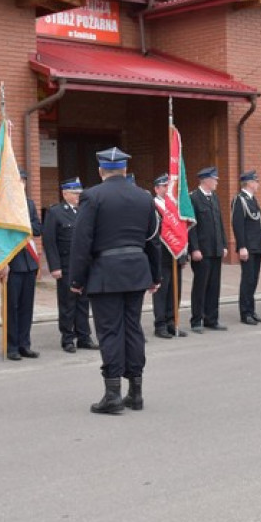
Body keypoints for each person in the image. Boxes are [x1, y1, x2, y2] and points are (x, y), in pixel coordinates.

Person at [69, 147, 161, 414]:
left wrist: (76, 278)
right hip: (136, 271)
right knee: (133, 329)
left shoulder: (92, 196)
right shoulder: (144, 197)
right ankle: (136, 392)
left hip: (105, 272)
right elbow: (152, 240)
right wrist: (155, 276)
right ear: (124, 170)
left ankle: (112, 394)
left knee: (110, 331)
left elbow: (82, 241)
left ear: (101, 171)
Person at [43, 177, 98, 352]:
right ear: (65, 193)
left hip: (83, 264)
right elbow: (49, 241)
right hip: (66, 265)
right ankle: (67, 338)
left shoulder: (85, 210)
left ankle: (84, 336)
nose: (78, 196)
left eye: (79, 193)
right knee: (68, 303)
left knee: (83, 301)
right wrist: (55, 266)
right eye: (75, 193)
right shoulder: (55, 212)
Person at [6, 171, 41, 360]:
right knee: (12, 306)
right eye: (18, 181)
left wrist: (24, 224)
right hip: (12, 263)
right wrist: (2, 264)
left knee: (27, 306)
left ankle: (24, 344)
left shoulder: (29, 204)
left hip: (29, 262)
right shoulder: (4, 206)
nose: (21, 184)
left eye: (24, 181)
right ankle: (11, 346)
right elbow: (0, 236)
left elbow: (37, 228)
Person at [188, 166, 228, 333]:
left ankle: (212, 319)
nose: (217, 182)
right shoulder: (194, 198)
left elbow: (219, 223)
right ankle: (197, 320)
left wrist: (224, 244)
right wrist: (194, 249)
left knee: (214, 286)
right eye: (215, 179)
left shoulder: (215, 198)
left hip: (215, 249)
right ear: (205, 180)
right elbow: (191, 226)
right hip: (202, 251)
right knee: (200, 286)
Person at [149, 174, 188, 339]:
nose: (167, 188)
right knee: (162, 291)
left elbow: (182, 231)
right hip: (160, 254)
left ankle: (172, 321)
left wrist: (183, 254)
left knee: (175, 291)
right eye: (163, 186)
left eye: (168, 185)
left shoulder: (174, 206)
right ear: (156, 189)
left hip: (175, 253)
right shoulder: (153, 206)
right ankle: (160, 324)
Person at [231, 169, 261, 325]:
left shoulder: (252, 199)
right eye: (256, 181)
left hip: (257, 245)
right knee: (247, 280)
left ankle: (251, 310)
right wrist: (242, 246)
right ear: (250, 183)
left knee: (254, 280)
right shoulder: (240, 200)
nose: (258, 184)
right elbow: (238, 225)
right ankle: (245, 313)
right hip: (248, 247)